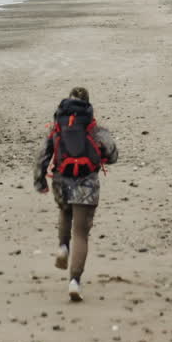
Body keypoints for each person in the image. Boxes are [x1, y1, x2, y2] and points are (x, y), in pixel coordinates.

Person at [34, 87, 118, 301]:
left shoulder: (58, 127)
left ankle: (63, 247)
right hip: (87, 182)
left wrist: (40, 180)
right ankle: (74, 281)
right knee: (81, 232)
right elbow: (113, 153)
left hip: (62, 179)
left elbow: (43, 155)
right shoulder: (93, 128)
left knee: (65, 211)